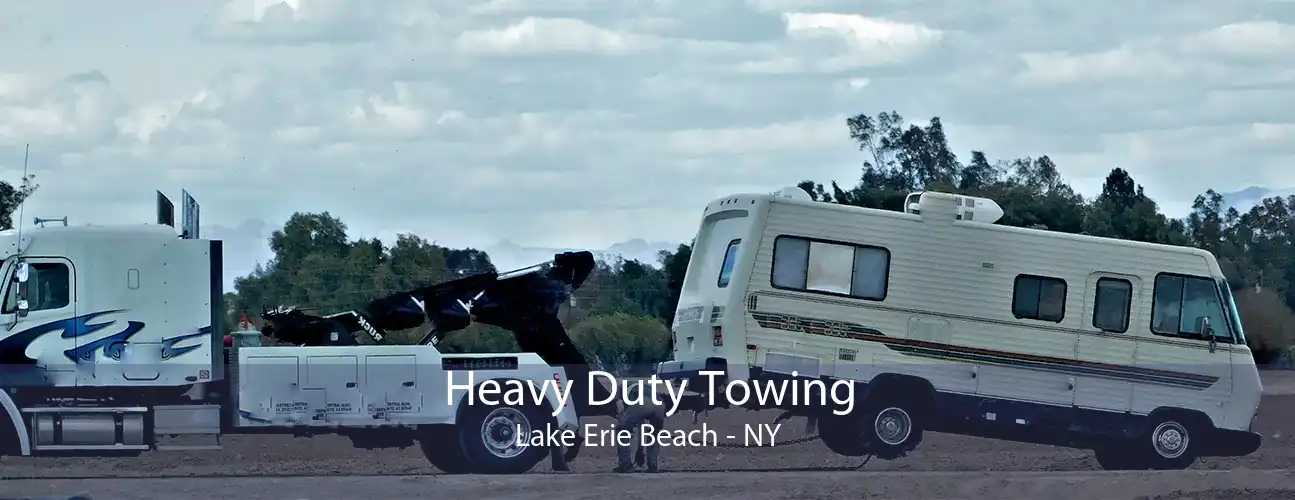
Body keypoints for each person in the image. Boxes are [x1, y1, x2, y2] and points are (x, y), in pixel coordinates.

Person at [614, 382, 666, 473]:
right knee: (653, 434)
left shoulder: (619, 388)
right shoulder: (643, 386)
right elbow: (641, 425)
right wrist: (640, 449)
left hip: (642, 402)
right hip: (660, 404)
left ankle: (626, 466)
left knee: (621, 430)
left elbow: (620, 408)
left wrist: (621, 418)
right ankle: (652, 465)